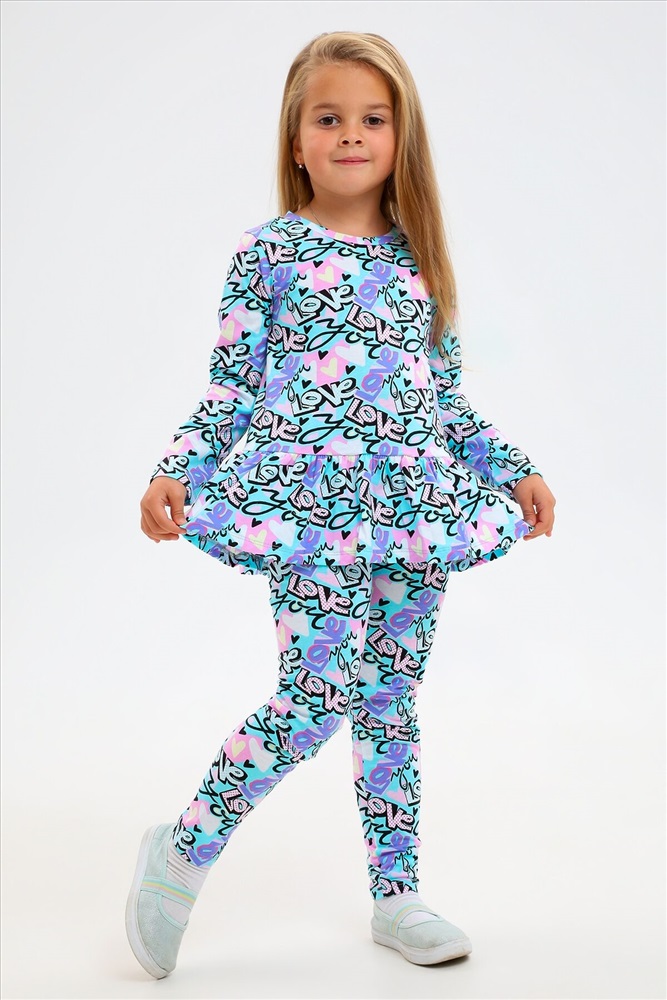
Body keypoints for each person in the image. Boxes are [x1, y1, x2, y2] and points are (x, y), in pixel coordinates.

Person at [126, 30, 556, 979]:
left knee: (390, 699)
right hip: (306, 511)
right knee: (315, 695)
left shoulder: (421, 261)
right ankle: (183, 849)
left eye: (372, 119)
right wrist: (178, 468)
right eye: (329, 118)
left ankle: (396, 895)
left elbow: (443, 402)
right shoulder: (269, 253)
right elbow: (231, 387)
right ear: (296, 140)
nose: (351, 135)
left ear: (401, 138)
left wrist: (511, 466)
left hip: (411, 511)